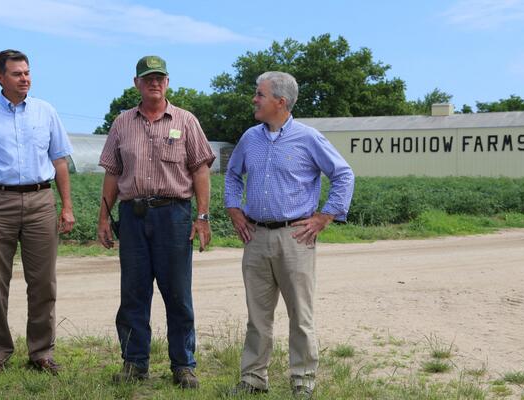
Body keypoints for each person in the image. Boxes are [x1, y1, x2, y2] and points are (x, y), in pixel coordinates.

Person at [224, 71, 355, 398]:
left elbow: (343, 175)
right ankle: (253, 380)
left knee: (300, 316)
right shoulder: (249, 138)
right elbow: (232, 174)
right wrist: (233, 208)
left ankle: (302, 382)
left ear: (280, 102)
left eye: (260, 94)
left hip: (295, 238)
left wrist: (325, 217)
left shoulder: (309, 138)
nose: (254, 99)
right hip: (255, 237)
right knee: (258, 316)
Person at [97, 55, 215, 388]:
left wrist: (202, 217)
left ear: (167, 82)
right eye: (147, 78)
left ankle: (183, 364)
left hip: (174, 215)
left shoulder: (186, 121)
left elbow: (200, 170)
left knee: (177, 293)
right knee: (133, 293)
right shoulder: (122, 123)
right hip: (132, 217)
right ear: (136, 83)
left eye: (160, 77)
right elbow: (112, 172)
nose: (154, 83)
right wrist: (104, 218)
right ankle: (134, 362)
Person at [0, 49, 75, 375]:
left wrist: (67, 206)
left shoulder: (45, 111)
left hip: (40, 202)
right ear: (0, 77)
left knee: (43, 283)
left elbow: (60, 161)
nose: (25, 78)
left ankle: (41, 352)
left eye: (27, 72)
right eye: (17, 74)